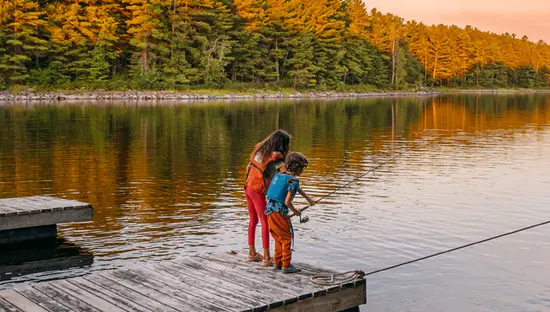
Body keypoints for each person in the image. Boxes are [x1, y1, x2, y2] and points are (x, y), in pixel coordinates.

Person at [244, 130, 291, 266]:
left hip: (247, 188)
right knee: (266, 222)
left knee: (253, 220)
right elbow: (285, 175)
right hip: (257, 191)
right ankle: (266, 258)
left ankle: (252, 253)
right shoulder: (277, 157)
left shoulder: (259, 150)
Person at [265, 152, 315, 273]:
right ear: (297, 168)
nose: (303, 171)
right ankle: (286, 265)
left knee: (278, 238)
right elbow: (287, 202)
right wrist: (295, 211)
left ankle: (277, 263)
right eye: (302, 168)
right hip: (279, 213)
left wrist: (308, 199)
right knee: (287, 238)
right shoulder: (294, 180)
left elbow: (294, 188)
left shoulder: (280, 175)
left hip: (269, 211)